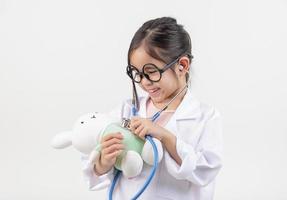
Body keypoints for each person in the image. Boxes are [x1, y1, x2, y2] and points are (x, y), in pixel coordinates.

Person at [81, 16, 223, 200]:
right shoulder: (126, 110)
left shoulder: (206, 117)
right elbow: (95, 170)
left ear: (182, 65)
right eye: (137, 73)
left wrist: (163, 135)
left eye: (151, 72)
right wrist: (104, 161)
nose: (145, 82)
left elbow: (205, 170)